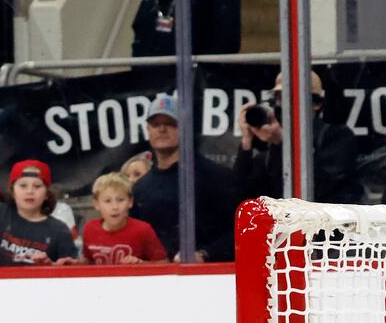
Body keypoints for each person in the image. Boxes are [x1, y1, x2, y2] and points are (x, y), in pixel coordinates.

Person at [131, 92, 237, 262]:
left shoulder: (214, 176)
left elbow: (242, 231)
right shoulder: (141, 188)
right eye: (155, 123)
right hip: (157, 282)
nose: (162, 129)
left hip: (210, 279)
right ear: (148, 130)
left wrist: (205, 255)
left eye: (170, 123)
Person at [232, 72, 361, 205]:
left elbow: (321, 187)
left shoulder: (337, 136)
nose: (288, 105)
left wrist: (282, 143)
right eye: (282, 98)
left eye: (296, 98)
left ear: (316, 104)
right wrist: (246, 142)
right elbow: (238, 191)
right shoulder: (270, 147)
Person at [0, 128, 76, 267]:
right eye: (23, 186)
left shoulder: (59, 230)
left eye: (37, 186)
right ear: (12, 191)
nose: (30, 191)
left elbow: (71, 271)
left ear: (46, 194)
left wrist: (50, 266)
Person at [81, 172, 165, 265]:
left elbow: (164, 263)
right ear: (96, 204)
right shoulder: (90, 228)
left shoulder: (143, 230)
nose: (115, 207)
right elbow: (88, 261)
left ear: (130, 202)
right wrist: (74, 264)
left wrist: (140, 264)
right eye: (107, 201)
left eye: (120, 200)